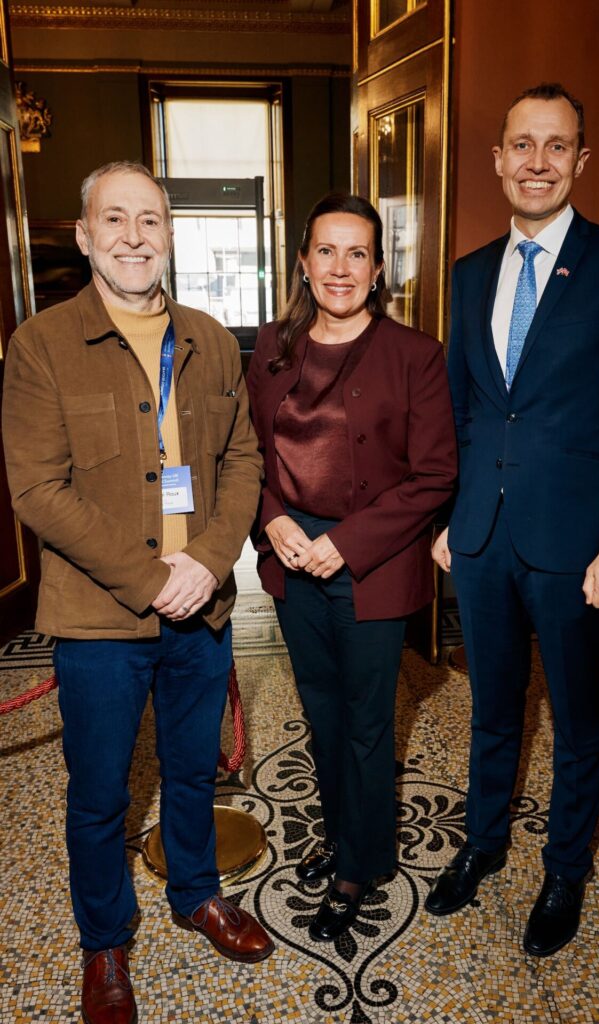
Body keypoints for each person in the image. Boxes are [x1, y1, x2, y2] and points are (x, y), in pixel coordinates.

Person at [2, 161, 274, 1024]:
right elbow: (39, 491)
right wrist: (155, 578)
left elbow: (241, 460)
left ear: (168, 234)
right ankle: (103, 941)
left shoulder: (209, 337)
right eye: (113, 220)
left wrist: (212, 557)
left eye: (149, 220)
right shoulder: (40, 345)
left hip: (203, 608)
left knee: (193, 770)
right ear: (84, 236)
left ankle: (196, 893)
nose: (132, 236)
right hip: (99, 619)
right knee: (100, 791)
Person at [427, 83, 599, 957]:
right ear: (497, 160)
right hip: (484, 542)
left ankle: (565, 869)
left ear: (580, 161)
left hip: (579, 549)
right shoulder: (466, 274)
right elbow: (462, 413)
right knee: (492, 709)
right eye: (520, 145)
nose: (536, 162)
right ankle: (483, 847)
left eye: (555, 146)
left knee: (575, 717)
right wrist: (450, 518)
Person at [247, 193, 456, 942]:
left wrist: (350, 542)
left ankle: (360, 863)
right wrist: (271, 519)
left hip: (370, 564)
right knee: (321, 712)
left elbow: (434, 475)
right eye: (326, 251)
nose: (340, 267)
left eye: (357, 253)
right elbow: (247, 455)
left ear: (377, 269)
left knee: (367, 724)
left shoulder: (415, 355)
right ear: (302, 262)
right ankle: (341, 837)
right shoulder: (270, 343)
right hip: (291, 557)